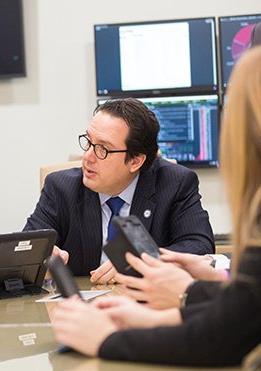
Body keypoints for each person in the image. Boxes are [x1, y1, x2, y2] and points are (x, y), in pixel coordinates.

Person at [50, 42, 261, 369]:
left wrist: (106, 339)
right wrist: (175, 303)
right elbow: (256, 302)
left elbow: (221, 338)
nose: (89, 155)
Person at [23, 98, 214, 283]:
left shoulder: (175, 183)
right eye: (89, 142)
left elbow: (200, 246)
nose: (88, 156)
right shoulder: (61, 187)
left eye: (103, 149)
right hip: (82, 307)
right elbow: (25, 250)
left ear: (135, 160)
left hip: (149, 306)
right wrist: (41, 257)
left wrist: (139, 261)